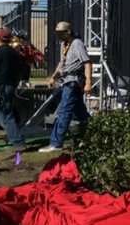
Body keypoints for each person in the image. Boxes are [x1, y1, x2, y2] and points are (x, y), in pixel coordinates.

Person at [38, 21, 92, 153]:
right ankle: (92, 132)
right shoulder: (64, 44)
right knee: (80, 113)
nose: (58, 36)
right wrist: (54, 76)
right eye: (57, 33)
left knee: (64, 112)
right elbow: (62, 63)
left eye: (61, 33)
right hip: (66, 79)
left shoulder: (77, 44)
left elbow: (87, 63)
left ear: (68, 32)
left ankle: (56, 142)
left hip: (73, 81)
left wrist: (89, 82)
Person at [0, 28, 26, 149]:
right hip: (9, 87)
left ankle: (18, 142)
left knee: (5, 116)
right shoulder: (15, 54)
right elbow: (20, 72)